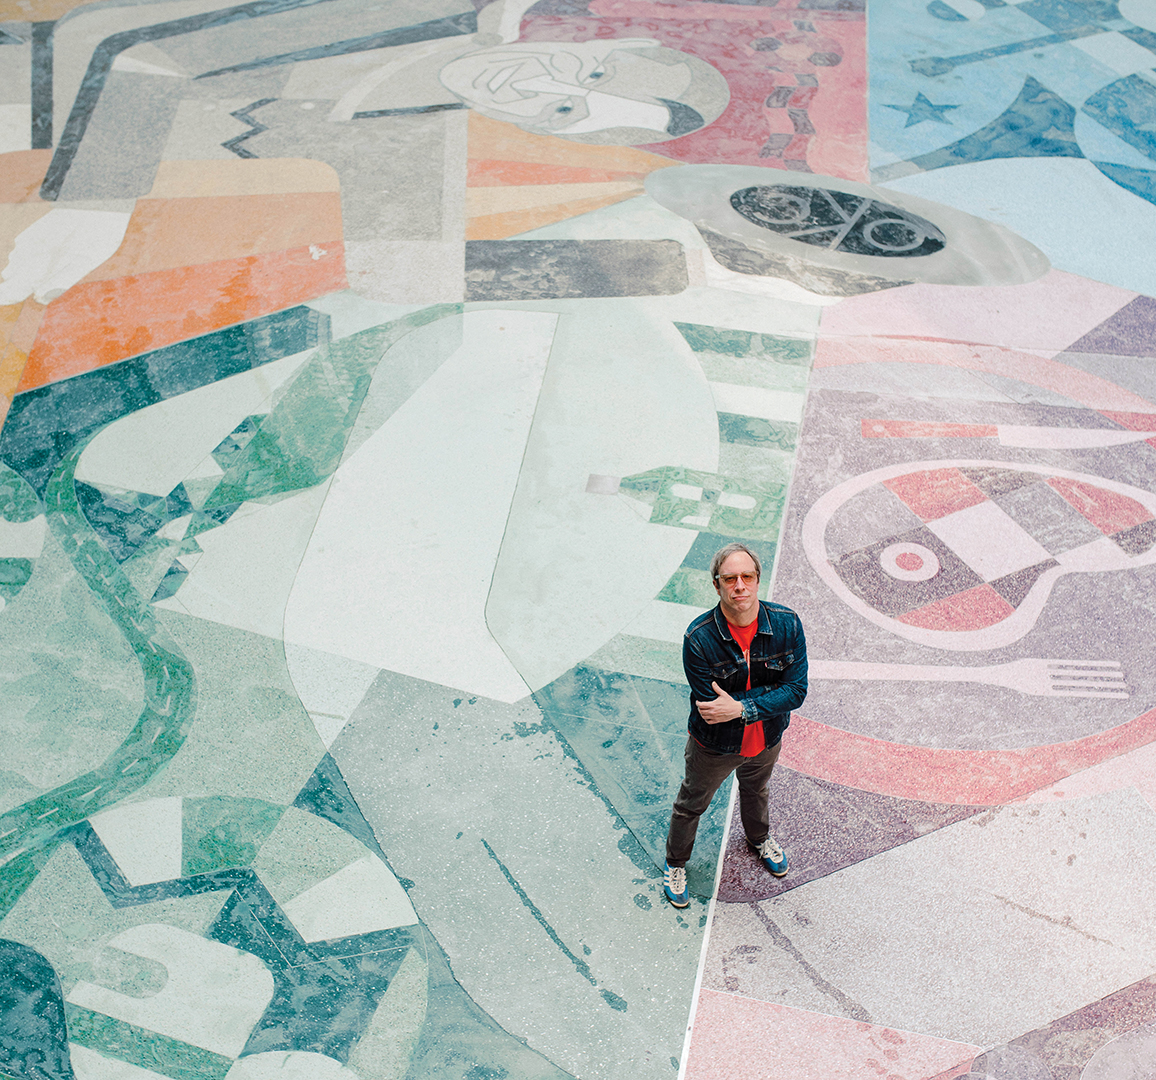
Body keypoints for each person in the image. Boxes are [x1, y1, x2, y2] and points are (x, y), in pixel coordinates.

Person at [663, 541, 808, 908]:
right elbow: (712, 708)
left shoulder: (787, 624)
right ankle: (675, 863)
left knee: (756, 791)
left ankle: (759, 839)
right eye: (730, 579)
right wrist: (769, 695)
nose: (739, 585)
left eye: (747, 576)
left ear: (758, 580)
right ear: (717, 585)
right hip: (715, 745)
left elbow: (796, 691)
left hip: (767, 738)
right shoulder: (699, 639)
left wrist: (742, 709)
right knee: (691, 803)